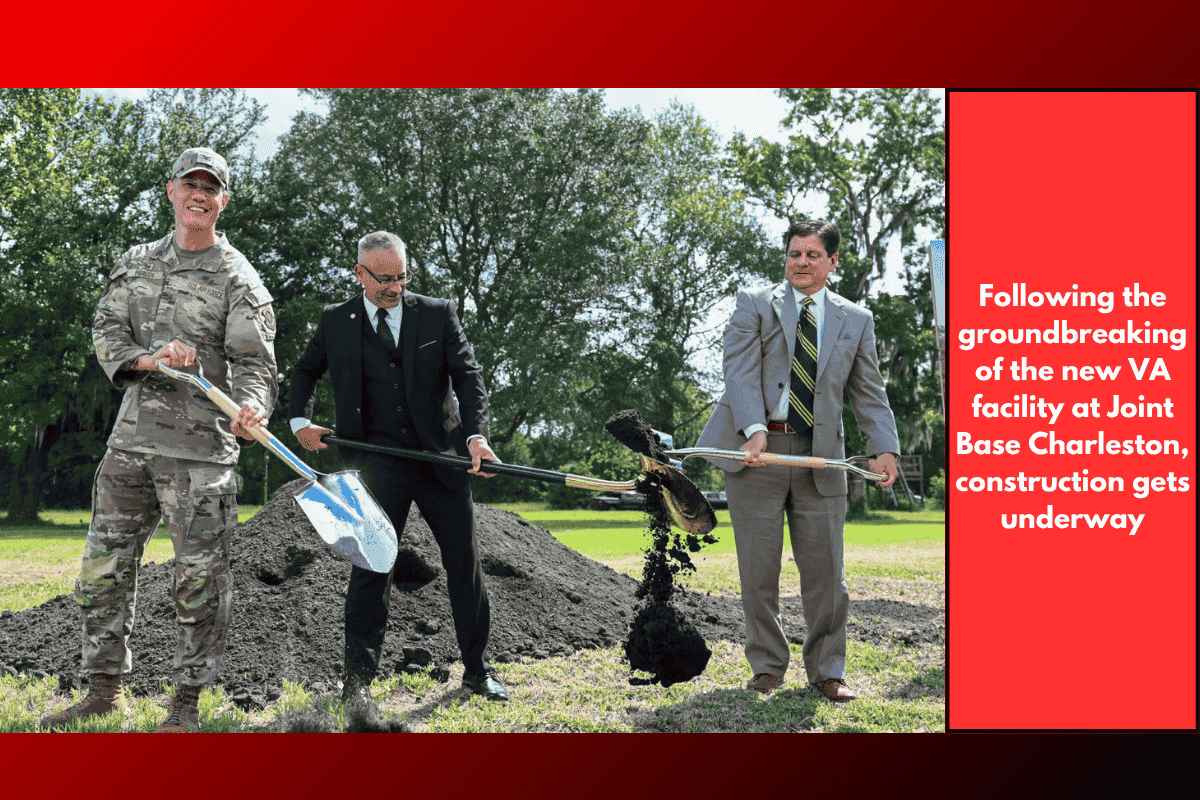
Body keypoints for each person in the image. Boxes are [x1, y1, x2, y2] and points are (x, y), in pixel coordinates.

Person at [40, 147, 278, 732]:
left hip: (201, 455)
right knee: (103, 570)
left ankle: (187, 704)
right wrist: (150, 360)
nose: (198, 194)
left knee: (199, 580)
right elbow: (107, 329)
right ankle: (103, 691)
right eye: (189, 184)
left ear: (223, 200)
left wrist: (253, 405)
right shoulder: (138, 262)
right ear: (170, 191)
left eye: (210, 187)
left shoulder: (238, 277)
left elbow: (255, 362)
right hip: (131, 445)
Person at [289, 230, 509, 713]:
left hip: (439, 461)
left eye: (402, 277)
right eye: (384, 279)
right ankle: (358, 683)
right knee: (371, 568)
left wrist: (476, 437)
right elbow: (305, 372)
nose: (395, 287)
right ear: (359, 273)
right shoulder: (335, 322)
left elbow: (468, 377)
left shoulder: (436, 312)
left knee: (462, 565)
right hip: (374, 466)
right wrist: (300, 421)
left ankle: (477, 670)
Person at [696, 219, 900, 702]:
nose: (801, 263)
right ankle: (766, 665)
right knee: (758, 570)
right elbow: (739, 371)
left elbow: (868, 391)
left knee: (828, 572)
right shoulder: (755, 304)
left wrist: (883, 446)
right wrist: (755, 429)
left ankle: (828, 670)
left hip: (821, 457)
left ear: (832, 261)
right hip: (757, 454)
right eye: (794, 254)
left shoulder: (857, 319)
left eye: (812, 255)